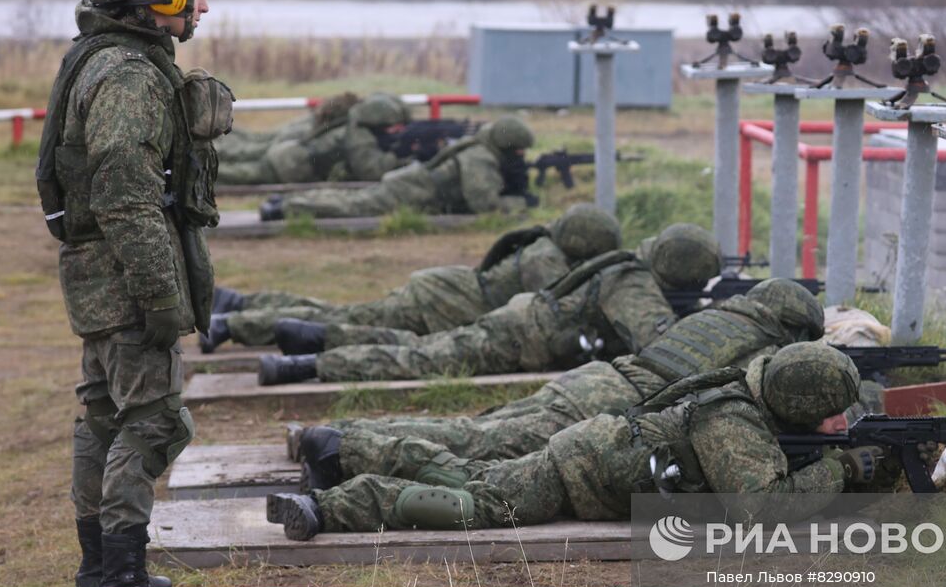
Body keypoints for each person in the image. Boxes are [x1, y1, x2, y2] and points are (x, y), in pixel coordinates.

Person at [36, 0, 226, 587]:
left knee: (105, 416)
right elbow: (126, 199)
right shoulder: (128, 75)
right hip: (126, 278)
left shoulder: (101, 54)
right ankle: (121, 570)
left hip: (97, 276)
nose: (202, 6)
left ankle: (99, 567)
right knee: (152, 420)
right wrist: (161, 299)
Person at [266, 343, 875, 538]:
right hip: (579, 471)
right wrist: (842, 472)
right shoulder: (733, 422)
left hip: (592, 455)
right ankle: (329, 505)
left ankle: (334, 448)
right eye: (829, 417)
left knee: (462, 471)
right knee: (469, 503)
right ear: (796, 404)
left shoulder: (755, 392)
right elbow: (757, 509)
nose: (837, 427)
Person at [291, 278, 829, 467]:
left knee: (475, 431)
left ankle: (343, 441)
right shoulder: (764, 349)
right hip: (603, 405)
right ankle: (341, 445)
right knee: (480, 445)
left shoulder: (720, 316)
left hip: (597, 379)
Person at [256, 223, 723, 385]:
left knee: (424, 347)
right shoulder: (634, 282)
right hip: (518, 338)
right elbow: (659, 344)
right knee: (420, 359)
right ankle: (306, 367)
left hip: (519, 321)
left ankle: (314, 339)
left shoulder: (629, 264)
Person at [198, 203, 622, 352]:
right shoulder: (546, 261)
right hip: (441, 303)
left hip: (444, 293)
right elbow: (546, 317)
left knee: (339, 312)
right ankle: (234, 323)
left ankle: (237, 307)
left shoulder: (546, 246)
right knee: (343, 320)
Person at [259, 116, 536, 221]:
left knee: (352, 201)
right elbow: (484, 204)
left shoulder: (481, 149)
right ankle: (285, 208)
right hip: (411, 190)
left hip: (412, 185)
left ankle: (286, 203)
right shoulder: (480, 158)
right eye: (518, 151)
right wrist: (519, 202)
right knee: (352, 206)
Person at [215, 92, 413, 186]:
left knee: (235, 159)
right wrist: (402, 160)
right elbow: (369, 168)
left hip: (288, 157)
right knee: (228, 172)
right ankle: (195, 163)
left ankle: (203, 154)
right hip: (288, 165)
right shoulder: (356, 135)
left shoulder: (350, 126)